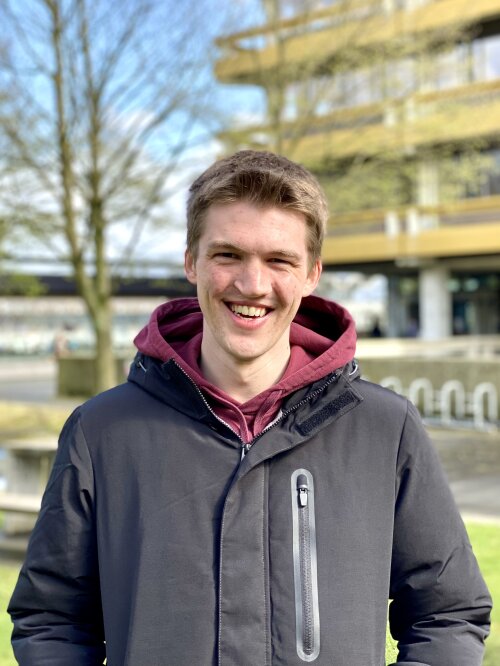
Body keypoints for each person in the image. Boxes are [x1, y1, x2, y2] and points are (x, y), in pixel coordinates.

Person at [9, 151, 491, 665]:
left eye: (279, 261)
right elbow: (52, 621)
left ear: (311, 274)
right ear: (191, 262)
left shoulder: (385, 429)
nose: (253, 284)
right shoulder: (102, 432)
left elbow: (448, 614)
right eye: (228, 255)